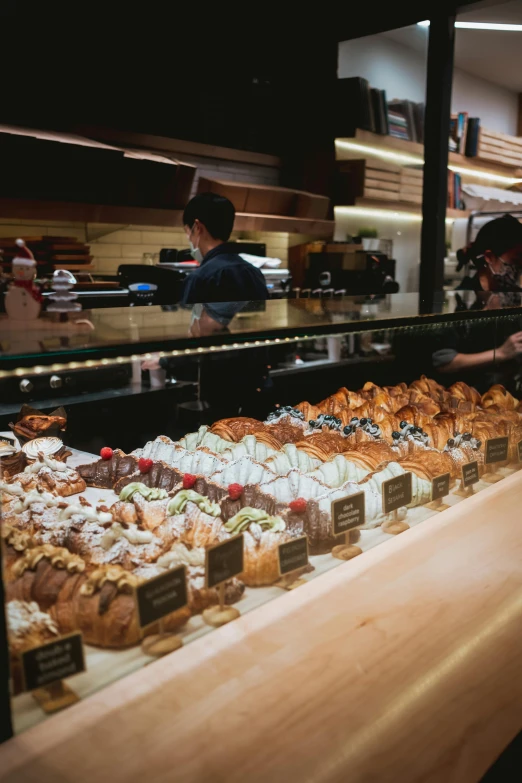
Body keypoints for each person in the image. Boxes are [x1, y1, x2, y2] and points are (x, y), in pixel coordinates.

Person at [432, 214, 522, 392]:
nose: (519, 269)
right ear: (489, 257)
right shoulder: (458, 301)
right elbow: (442, 361)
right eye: (516, 261)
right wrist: (501, 353)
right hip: (467, 402)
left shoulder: (514, 298)